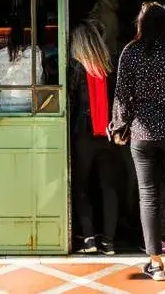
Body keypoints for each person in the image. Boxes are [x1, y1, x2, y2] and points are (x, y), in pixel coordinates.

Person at [108, 2, 165, 284]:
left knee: (148, 196)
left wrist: (119, 126)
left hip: (141, 134)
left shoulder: (130, 52)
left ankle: (156, 265)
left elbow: (121, 95)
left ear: (141, 24)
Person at [68, 19, 120, 256]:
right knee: (109, 187)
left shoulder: (75, 67)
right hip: (107, 132)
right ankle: (109, 242)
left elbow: (69, 101)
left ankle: (89, 238)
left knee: (80, 186)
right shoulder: (109, 67)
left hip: (83, 132)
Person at [0, 16, 43, 113]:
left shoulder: (1, 54)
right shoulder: (35, 52)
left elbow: (2, 81)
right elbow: (37, 81)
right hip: (29, 108)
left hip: (5, 107)